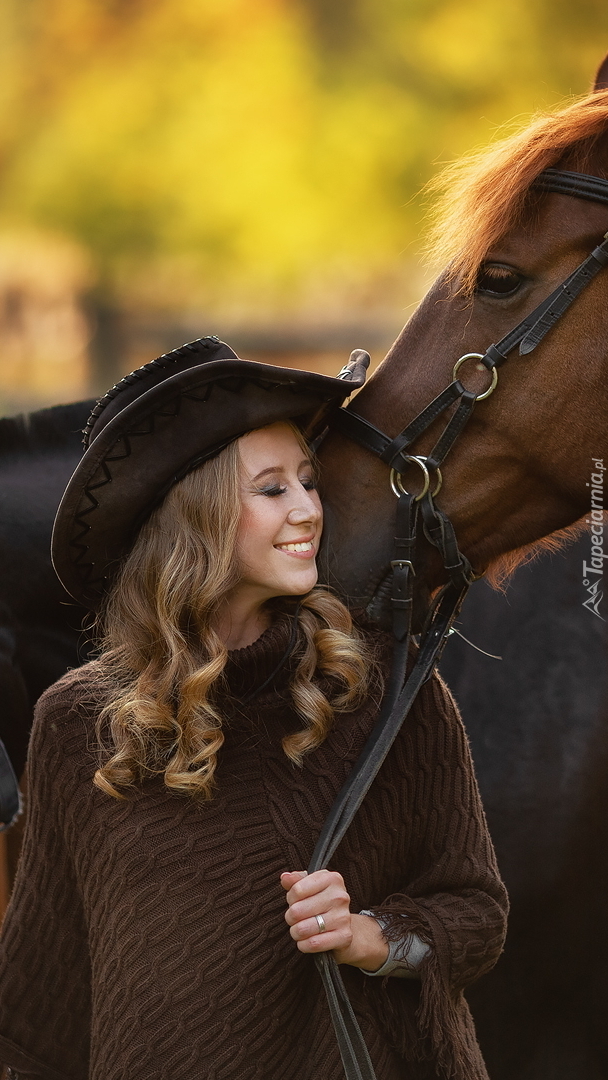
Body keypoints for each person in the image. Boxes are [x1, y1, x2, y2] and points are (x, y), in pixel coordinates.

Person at [0, 337, 507, 1080]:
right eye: (272, 490)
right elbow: (45, 1005)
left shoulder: (384, 693)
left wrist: (372, 935)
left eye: (308, 480)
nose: (308, 509)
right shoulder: (80, 723)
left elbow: (477, 914)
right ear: (191, 516)